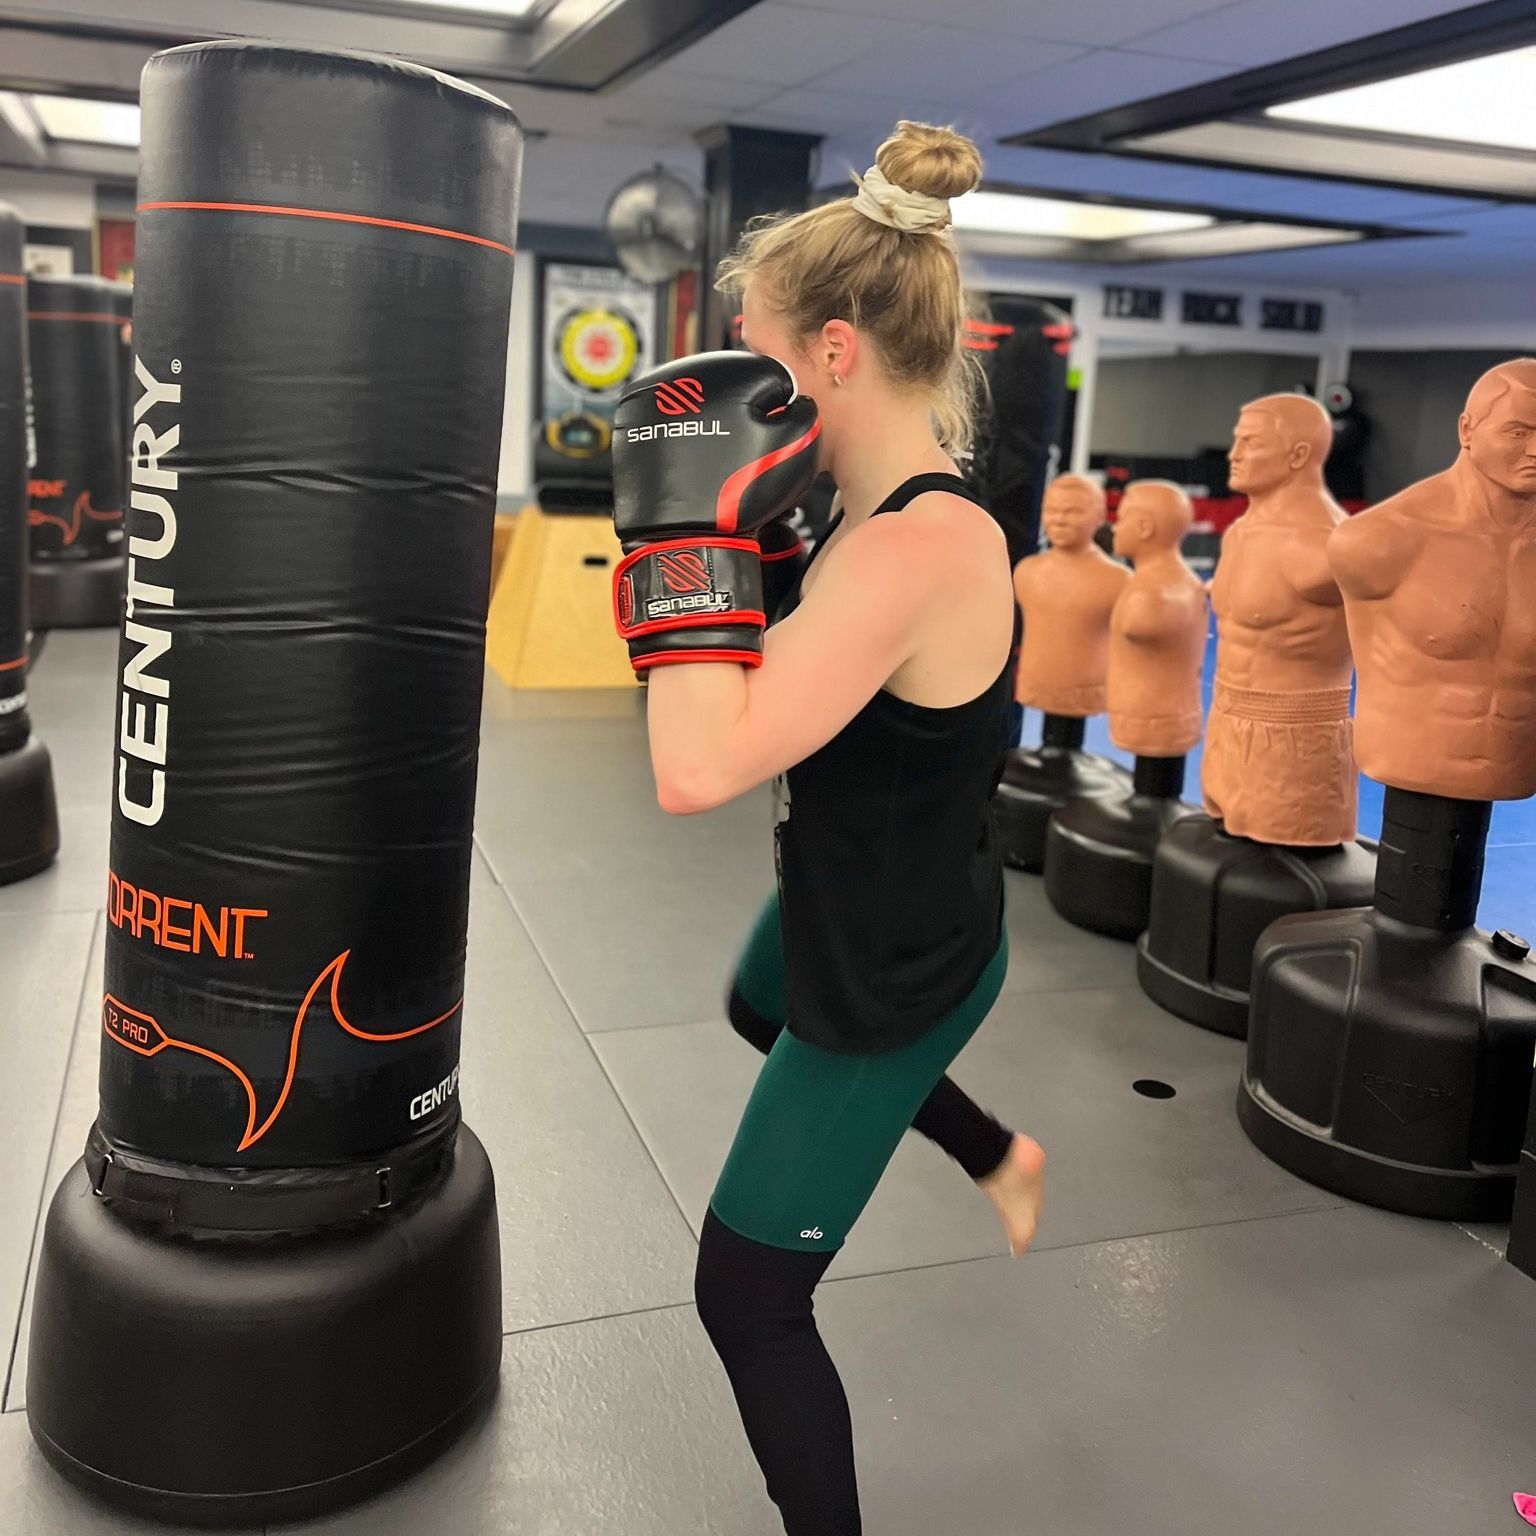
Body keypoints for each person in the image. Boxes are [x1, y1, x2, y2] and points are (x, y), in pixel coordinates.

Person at [608, 120, 1046, 1536]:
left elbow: (696, 769)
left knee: (744, 1297)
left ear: (837, 354)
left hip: (896, 968)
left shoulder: (911, 550)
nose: (740, 376)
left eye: (756, 349)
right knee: (754, 1000)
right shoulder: (869, 513)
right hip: (875, 892)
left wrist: (681, 542)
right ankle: (994, 1147)